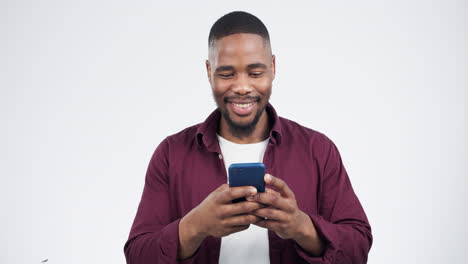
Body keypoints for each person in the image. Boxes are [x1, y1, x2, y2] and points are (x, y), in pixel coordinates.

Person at [124, 11, 372, 264]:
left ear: (273, 68)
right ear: (209, 71)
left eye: (255, 73)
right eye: (227, 74)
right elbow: (137, 256)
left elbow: (358, 248)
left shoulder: (317, 150)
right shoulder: (171, 154)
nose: (242, 87)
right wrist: (195, 225)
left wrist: (301, 226)